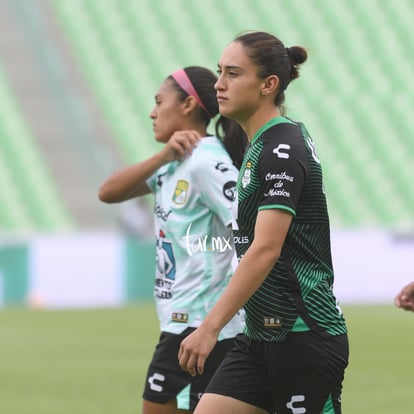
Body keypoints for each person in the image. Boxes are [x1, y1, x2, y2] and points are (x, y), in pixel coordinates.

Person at [178, 31, 349, 414]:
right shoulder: (261, 144)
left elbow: (267, 248)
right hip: (261, 336)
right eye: (220, 72)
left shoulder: (281, 147)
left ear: (268, 84)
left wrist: (209, 328)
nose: (219, 84)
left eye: (234, 74)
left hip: (303, 334)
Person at [98, 66, 246, 414]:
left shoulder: (206, 162)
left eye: (159, 101)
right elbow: (107, 192)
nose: (152, 112)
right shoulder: (174, 162)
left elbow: (250, 229)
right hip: (182, 320)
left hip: (202, 324)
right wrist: (163, 155)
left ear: (188, 105)